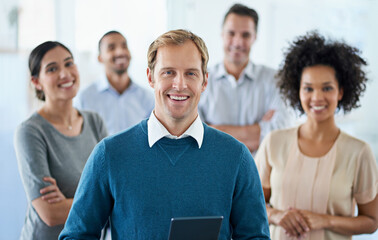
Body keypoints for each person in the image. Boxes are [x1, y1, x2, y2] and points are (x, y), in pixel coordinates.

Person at [59, 29, 270, 240]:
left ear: (205, 81)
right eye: (168, 72)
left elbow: (255, 237)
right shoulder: (109, 155)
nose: (179, 85)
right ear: (151, 77)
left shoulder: (235, 157)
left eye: (191, 73)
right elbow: (76, 236)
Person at [255, 32, 378, 240]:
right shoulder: (274, 143)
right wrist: (277, 215)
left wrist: (326, 220)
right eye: (308, 88)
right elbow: (251, 204)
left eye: (327, 88)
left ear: (340, 92)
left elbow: (371, 221)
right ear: (298, 91)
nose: (317, 97)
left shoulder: (359, 152)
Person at [14, 41, 108, 240]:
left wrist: (67, 202)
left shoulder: (94, 122)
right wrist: (101, 200)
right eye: (52, 69)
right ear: (36, 82)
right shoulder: (30, 131)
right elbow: (50, 213)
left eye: (69, 63)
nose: (65, 74)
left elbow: (115, 190)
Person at [199, 3, 292, 154]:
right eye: (231, 33)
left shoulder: (275, 80)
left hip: (258, 175)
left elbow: (279, 136)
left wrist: (213, 131)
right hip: (213, 174)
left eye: (246, 35)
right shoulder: (200, 80)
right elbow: (195, 137)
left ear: (255, 37)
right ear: (222, 34)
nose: (238, 42)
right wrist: (259, 130)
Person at [75, 30, 154, 135]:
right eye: (111, 48)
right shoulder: (84, 98)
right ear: (100, 58)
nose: (120, 52)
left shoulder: (147, 98)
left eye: (124, 46)